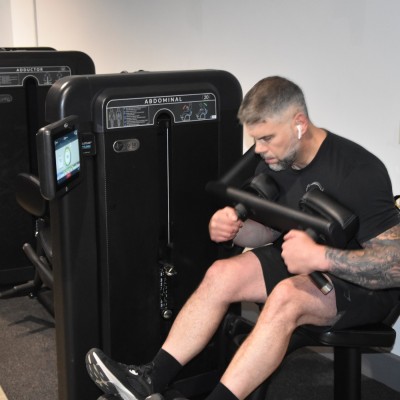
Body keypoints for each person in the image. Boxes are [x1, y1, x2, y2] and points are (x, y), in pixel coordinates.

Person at [86, 76, 400, 400]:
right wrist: (233, 228)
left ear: (299, 124)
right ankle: (149, 379)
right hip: (303, 258)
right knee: (222, 274)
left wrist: (319, 257)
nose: (260, 150)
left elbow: (396, 264)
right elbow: (271, 228)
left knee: (285, 296)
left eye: (266, 138)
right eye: (256, 139)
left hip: (362, 285)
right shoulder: (278, 160)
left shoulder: (358, 170)